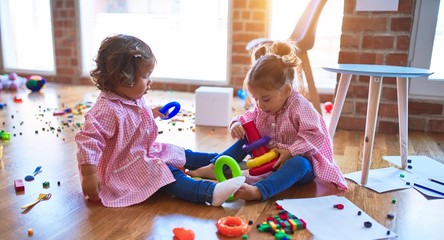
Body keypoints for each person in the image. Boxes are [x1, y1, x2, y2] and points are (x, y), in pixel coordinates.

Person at [75, 34, 245, 208]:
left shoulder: (129, 95)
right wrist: (89, 175)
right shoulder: (106, 110)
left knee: (184, 154)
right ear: (122, 79)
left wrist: (152, 112)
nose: (150, 82)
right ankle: (209, 193)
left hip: (143, 151)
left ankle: (225, 162)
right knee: (167, 174)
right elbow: (89, 140)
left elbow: (132, 115)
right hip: (124, 168)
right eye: (145, 76)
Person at [188, 40, 347, 201]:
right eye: (256, 99)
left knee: (300, 163)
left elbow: (315, 135)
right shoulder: (262, 106)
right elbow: (249, 117)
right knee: (245, 136)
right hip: (270, 158)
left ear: (286, 90)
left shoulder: (300, 107)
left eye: (265, 99)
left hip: (298, 164)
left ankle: (259, 191)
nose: (260, 105)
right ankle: (214, 167)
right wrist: (237, 124)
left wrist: (290, 152)